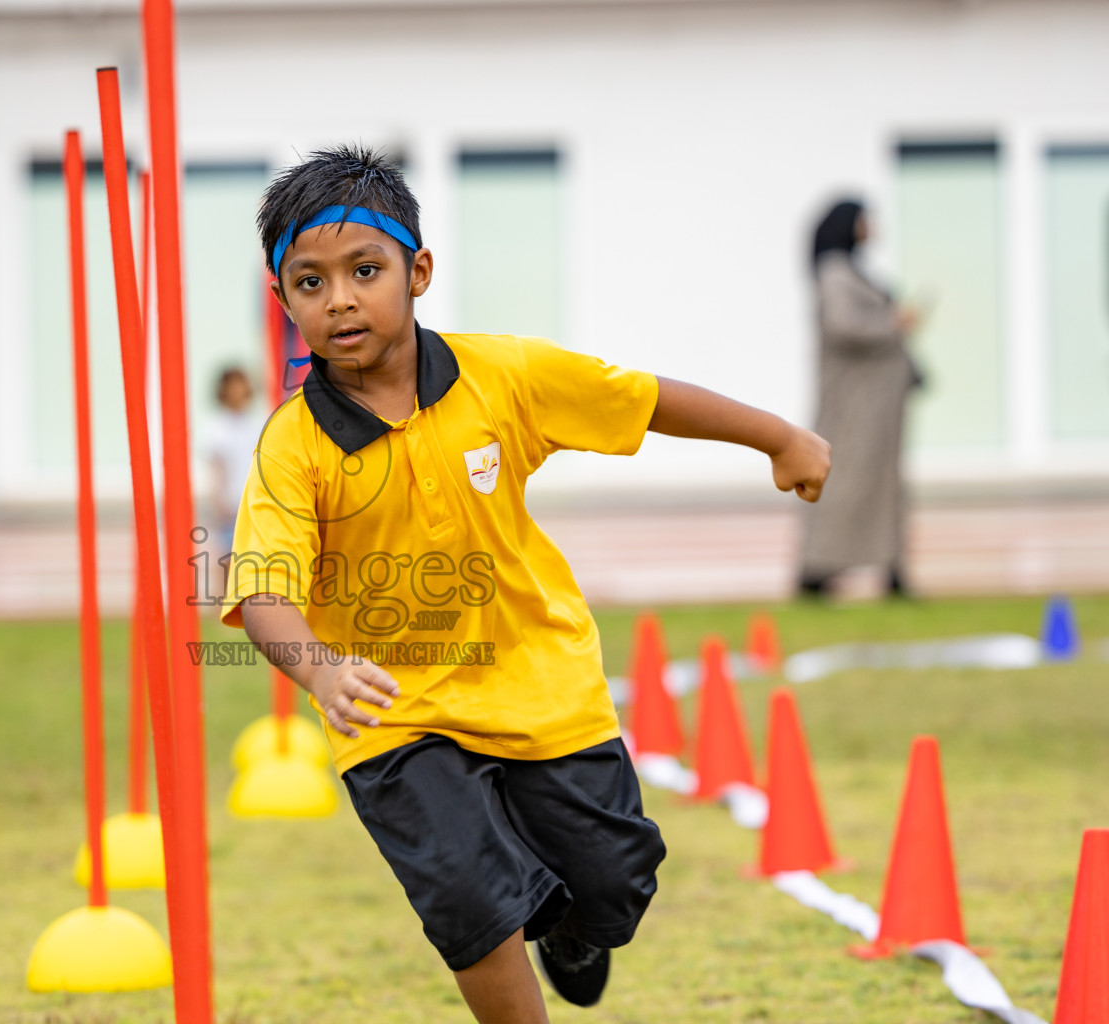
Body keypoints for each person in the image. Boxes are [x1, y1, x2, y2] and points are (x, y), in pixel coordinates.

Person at [222, 145, 829, 1023]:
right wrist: (320, 669)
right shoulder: (293, 442)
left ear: (418, 271)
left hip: (540, 684)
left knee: (616, 885)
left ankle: (573, 931)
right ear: (283, 303)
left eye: (365, 270)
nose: (341, 299)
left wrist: (777, 437)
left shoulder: (499, 376)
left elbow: (640, 398)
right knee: (468, 896)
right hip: (397, 710)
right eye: (310, 284)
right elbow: (263, 591)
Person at [798, 199, 922, 599]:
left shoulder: (854, 272)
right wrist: (892, 324)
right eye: (866, 220)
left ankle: (891, 567)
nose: (872, 228)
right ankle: (817, 568)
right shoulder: (835, 274)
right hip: (855, 406)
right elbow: (843, 325)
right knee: (841, 481)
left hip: (879, 404)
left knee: (885, 486)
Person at [202, 366, 265, 566]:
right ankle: (225, 598)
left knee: (254, 562)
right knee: (227, 561)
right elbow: (216, 468)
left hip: (255, 502)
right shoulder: (217, 426)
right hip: (230, 506)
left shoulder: (257, 423)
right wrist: (218, 502)